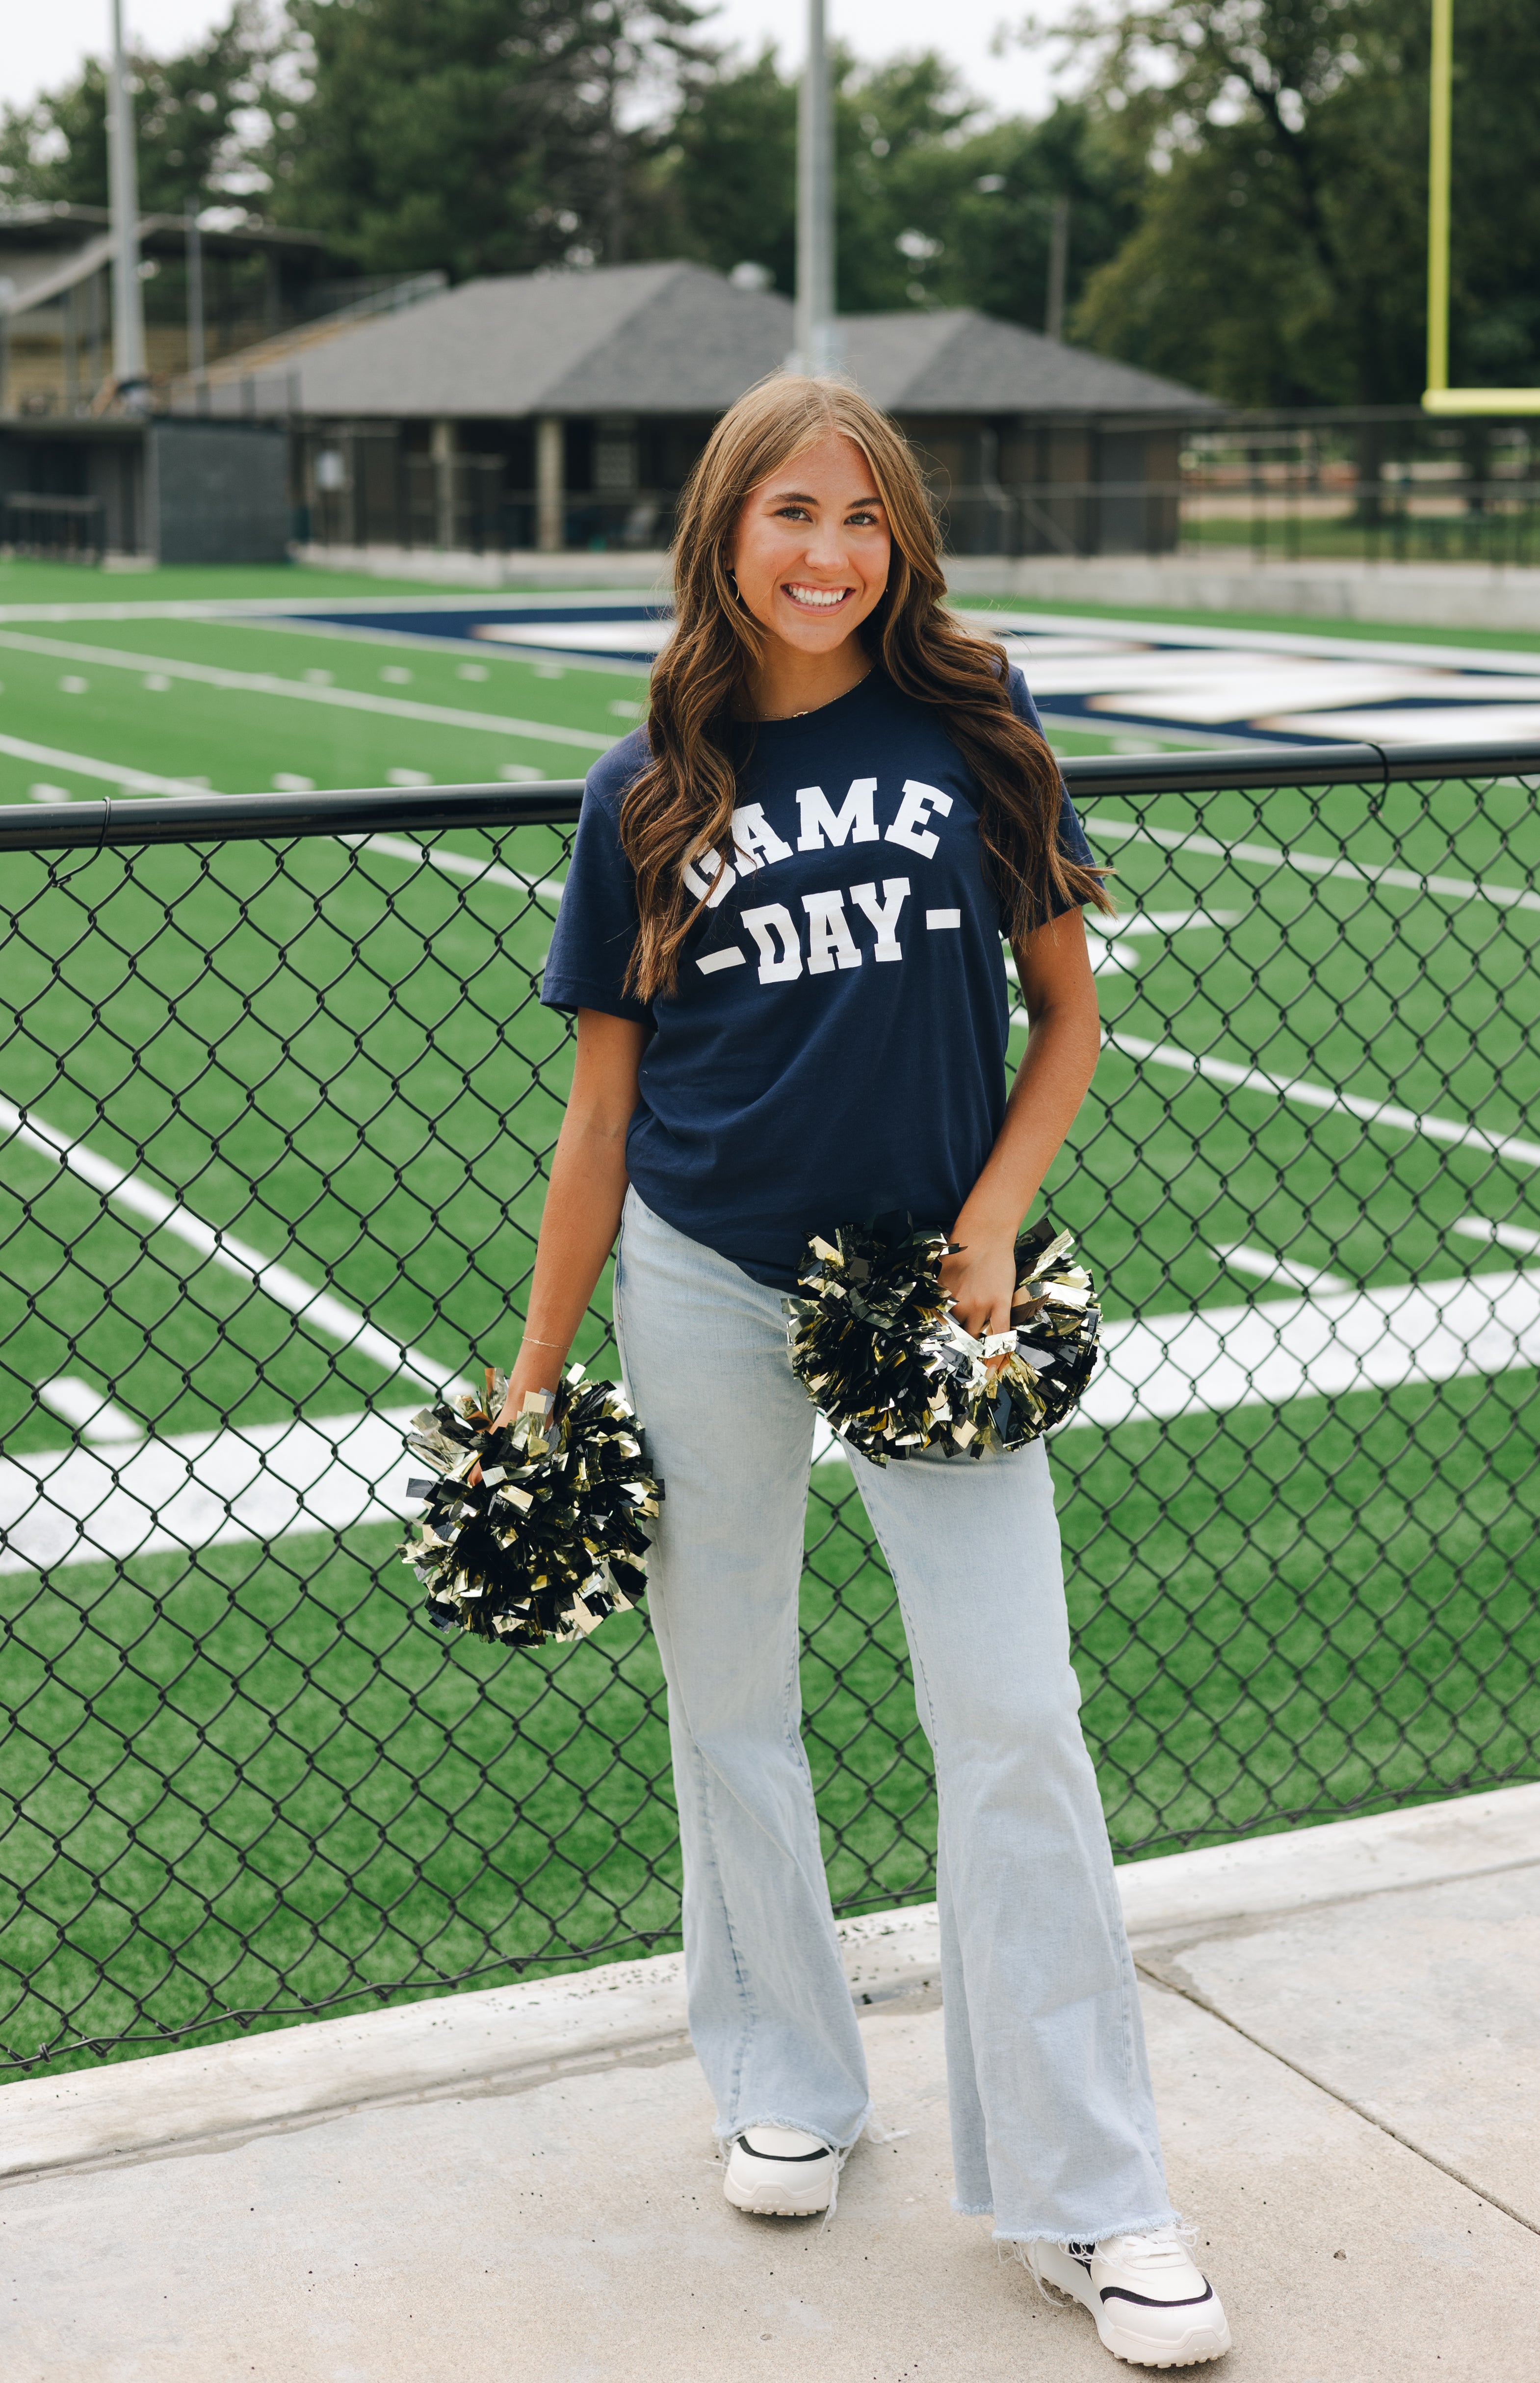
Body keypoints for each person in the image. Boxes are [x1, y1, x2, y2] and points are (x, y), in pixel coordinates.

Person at [498, 374, 1232, 2370]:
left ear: (897, 540)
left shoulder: (971, 732)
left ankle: (1095, 2196)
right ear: (721, 532)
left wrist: (993, 1218)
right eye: (786, 513)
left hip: (931, 1297)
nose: (825, 552)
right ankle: (786, 2081)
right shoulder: (645, 786)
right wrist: (540, 1369)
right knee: (726, 1701)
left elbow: (1064, 1019)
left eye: (861, 518)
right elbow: (599, 1114)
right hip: (700, 1276)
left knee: (1013, 1713)